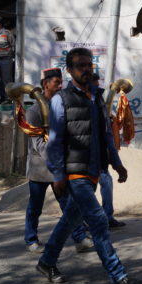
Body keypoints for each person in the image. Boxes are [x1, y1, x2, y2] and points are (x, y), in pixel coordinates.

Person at [36, 48, 142, 284]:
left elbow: (106, 135)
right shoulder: (60, 100)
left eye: (89, 65)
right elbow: (55, 141)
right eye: (80, 65)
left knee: (70, 219)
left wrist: (117, 164)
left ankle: (46, 261)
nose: (86, 69)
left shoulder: (97, 98)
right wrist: (57, 174)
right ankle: (119, 276)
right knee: (97, 220)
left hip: (95, 170)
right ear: (69, 70)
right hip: (74, 173)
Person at [24, 67, 94, 254]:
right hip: (40, 168)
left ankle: (79, 238)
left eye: (61, 82)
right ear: (45, 84)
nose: (60, 86)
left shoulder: (61, 105)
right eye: (56, 83)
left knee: (69, 204)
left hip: (60, 167)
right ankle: (31, 239)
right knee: (35, 206)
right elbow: (37, 143)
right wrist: (56, 160)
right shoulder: (33, 111)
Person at [92, 73, 126, 229]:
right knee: (86, 193)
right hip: (86, 159)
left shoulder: (99, 101)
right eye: (95, 82)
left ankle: (107, 217)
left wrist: (116, 162)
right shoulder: (78, 102)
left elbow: (107, 135)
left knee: (106, 183)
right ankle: (85, 222)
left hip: (101, 156)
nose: (97, 85)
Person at [0, 16, 15, 103]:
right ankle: (2, 97)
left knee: (7, 79)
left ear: (0, 24)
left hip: (6, 59)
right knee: (0, 80)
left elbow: (13, 45)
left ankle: (9, 98)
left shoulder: (7, 33)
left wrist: (10, 56)